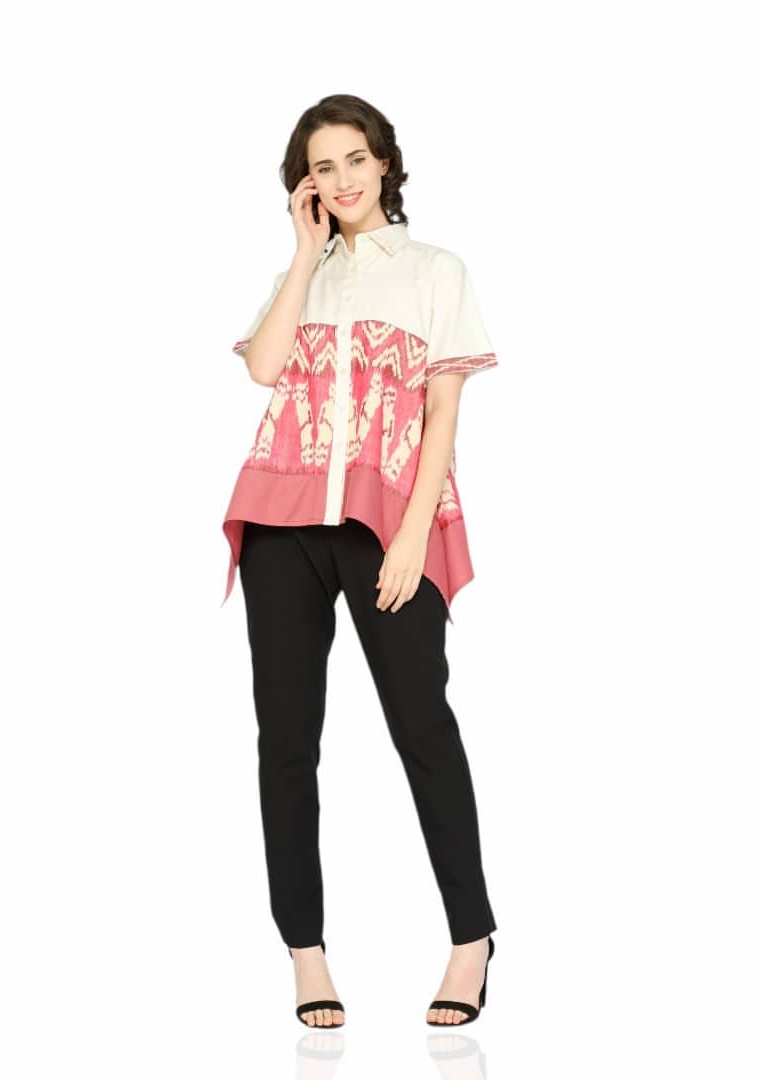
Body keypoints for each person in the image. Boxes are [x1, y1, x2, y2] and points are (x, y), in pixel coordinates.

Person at [221, 94, 499, 1028]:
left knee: (423, 726)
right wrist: (305, 257)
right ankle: (306, 953)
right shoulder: (300, 275)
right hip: (283, 522)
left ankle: (471, 939)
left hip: (389, 524)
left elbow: (442, 414)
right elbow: (264, 369)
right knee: (286, 741)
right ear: (304, 184)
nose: (340, 180)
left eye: (353, 159)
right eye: (321, 167)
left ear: (384, 162)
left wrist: (413, 534)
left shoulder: (435, 272)